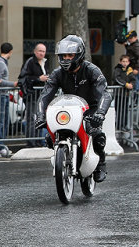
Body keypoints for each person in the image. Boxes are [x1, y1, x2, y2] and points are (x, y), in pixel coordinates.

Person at [35, 35, 111, 182]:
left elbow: (105, 94)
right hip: (69, 109)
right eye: (63, 56)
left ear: (79, 55)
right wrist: (40, 116)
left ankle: (101, 163)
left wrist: (100, 113)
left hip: (91, 109)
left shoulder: (92, 70)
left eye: (70, 55)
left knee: (96, 134)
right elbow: (45, 95)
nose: (66, 59)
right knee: (49, 137)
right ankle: (62, 157)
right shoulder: (57, 73)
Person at [18, 43, 50, 147]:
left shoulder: (45, 63)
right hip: (31, 95)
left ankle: (38, 140)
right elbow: (23, 78)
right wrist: (38, 79)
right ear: (35, 52)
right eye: (40, 51)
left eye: (43, 51)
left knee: (40, 118)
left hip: (41, 96)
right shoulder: (30, 62)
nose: (42, 53)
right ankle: (31, 141)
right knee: (31, 118)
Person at [0, 42, 17, 157]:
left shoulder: (1, 62)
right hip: (0, 95)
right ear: (10, 52)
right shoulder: (0, 64)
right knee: (0, 121)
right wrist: (13, 84)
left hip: (3, 95)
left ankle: (1, 145)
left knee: (4, 120)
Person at [113, 54, 136, 133]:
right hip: (118, 94)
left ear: (129, 62)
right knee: (119, 110)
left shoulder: (129, 70)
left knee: (125, 110)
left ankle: (124, 125)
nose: (125, 63)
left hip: (126, 94)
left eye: (126, 61)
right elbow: (117, 78)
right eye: (123, 61)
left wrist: (132, 85)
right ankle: (119, 126)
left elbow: (133, 79)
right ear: (120, 62)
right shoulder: (118, 69)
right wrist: (126, 84)